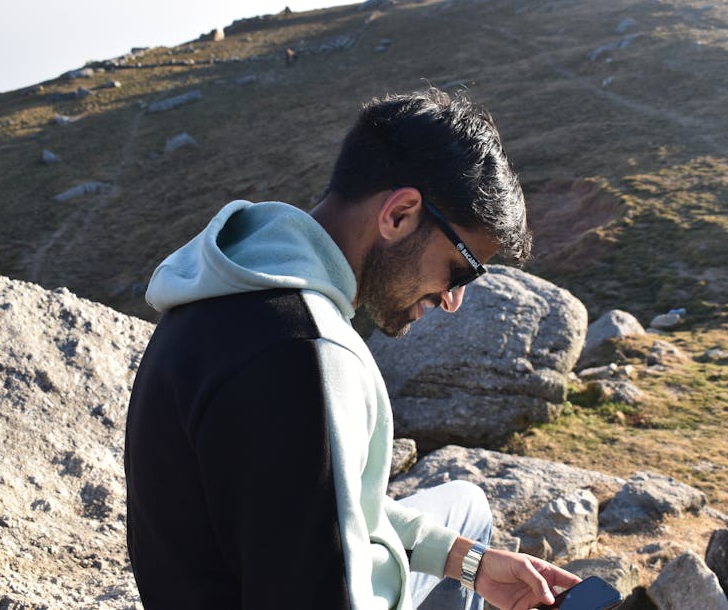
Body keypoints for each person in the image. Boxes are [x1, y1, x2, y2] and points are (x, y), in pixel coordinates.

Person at [124, 88, 581, 609]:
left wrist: (470, 563)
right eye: (462, 270)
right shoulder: (309, 354)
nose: (453, 300)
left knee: (467, 506)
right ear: (400, 215)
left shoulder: (220, 286)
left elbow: (311, 509)